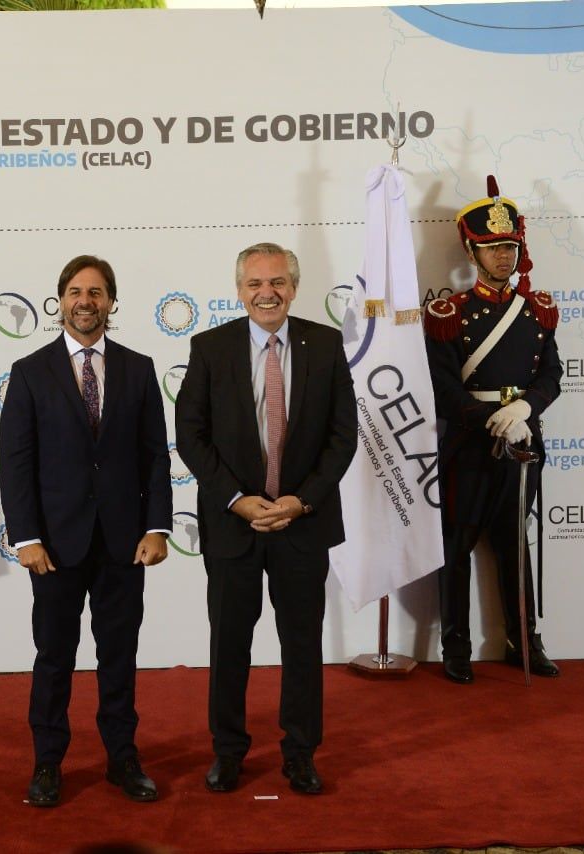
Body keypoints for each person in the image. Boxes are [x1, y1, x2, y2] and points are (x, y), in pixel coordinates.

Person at [175, 242, 356, 795]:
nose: (266, 293)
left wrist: (302, 500)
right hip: (234, 527)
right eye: (254, 284)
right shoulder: (210, 347)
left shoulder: (325, 345)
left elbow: (342, 436)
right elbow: (191, 435)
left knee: (302, 647)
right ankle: (228, 753)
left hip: (304, 524)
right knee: (229, 646)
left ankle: (300, 754)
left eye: (277, 282)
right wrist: (235, 498)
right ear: (239, 290)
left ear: (294, 287)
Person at [0, 255, 173, 807]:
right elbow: (16, 463)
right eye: (75, 291)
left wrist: (158, 527)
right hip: (53, 546)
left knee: (119, 656)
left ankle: (122, 758)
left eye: (96, 292)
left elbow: (154, 460)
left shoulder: (140, 369)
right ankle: (48, 763)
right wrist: (25, 538)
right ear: (60, 301)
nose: (85, 301)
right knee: (55, 657)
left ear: (111, 302)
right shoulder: (29, 371)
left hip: (125, 544)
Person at [423, 175, 562, 685]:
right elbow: (442, 388)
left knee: (515, 544)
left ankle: (523, 640)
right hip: (469, 444)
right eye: (491, 247)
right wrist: (489, 419)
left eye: (509, 246)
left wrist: (525, 410)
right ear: (471, 250)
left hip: (523, 441)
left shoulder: (538, 310)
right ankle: (455, 645)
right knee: (457, 545)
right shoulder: (448, 314)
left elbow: (552, 375)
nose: (503, 256)